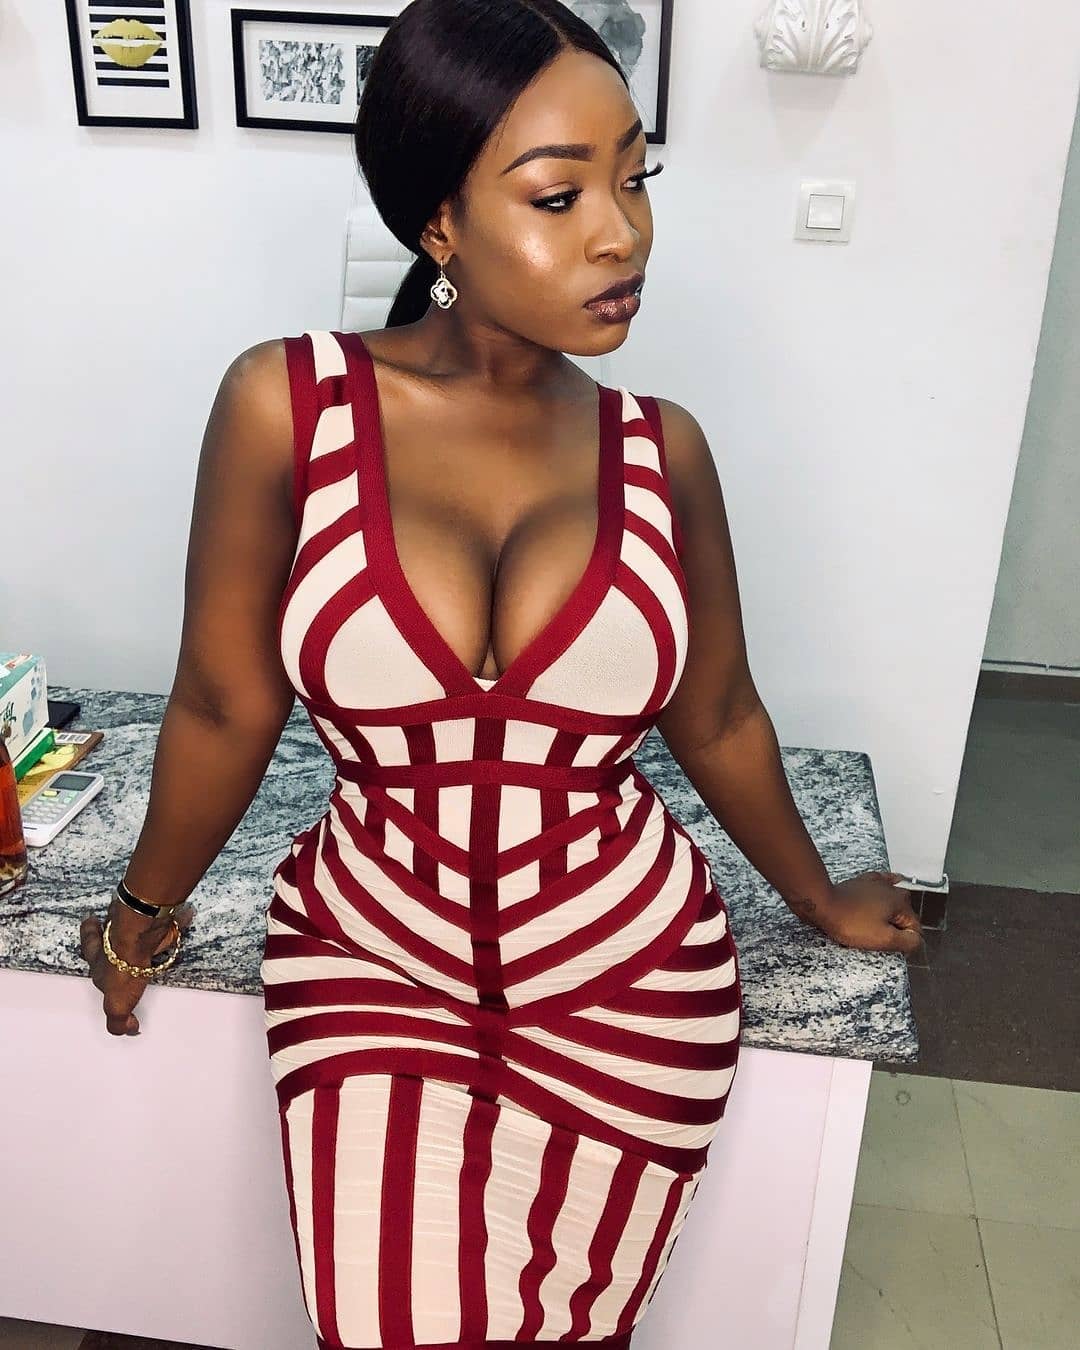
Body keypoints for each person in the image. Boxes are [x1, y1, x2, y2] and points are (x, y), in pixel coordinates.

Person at [79, 1, 923, 1345]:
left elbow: (717, 715)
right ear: (440, 224)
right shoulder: (286, 404)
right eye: (559, 194)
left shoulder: (663, 450)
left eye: (637, 178)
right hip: (370, 961)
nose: (623, 232)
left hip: (635, 982)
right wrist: (142, 913)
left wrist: (818, 896)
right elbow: (225, 705)